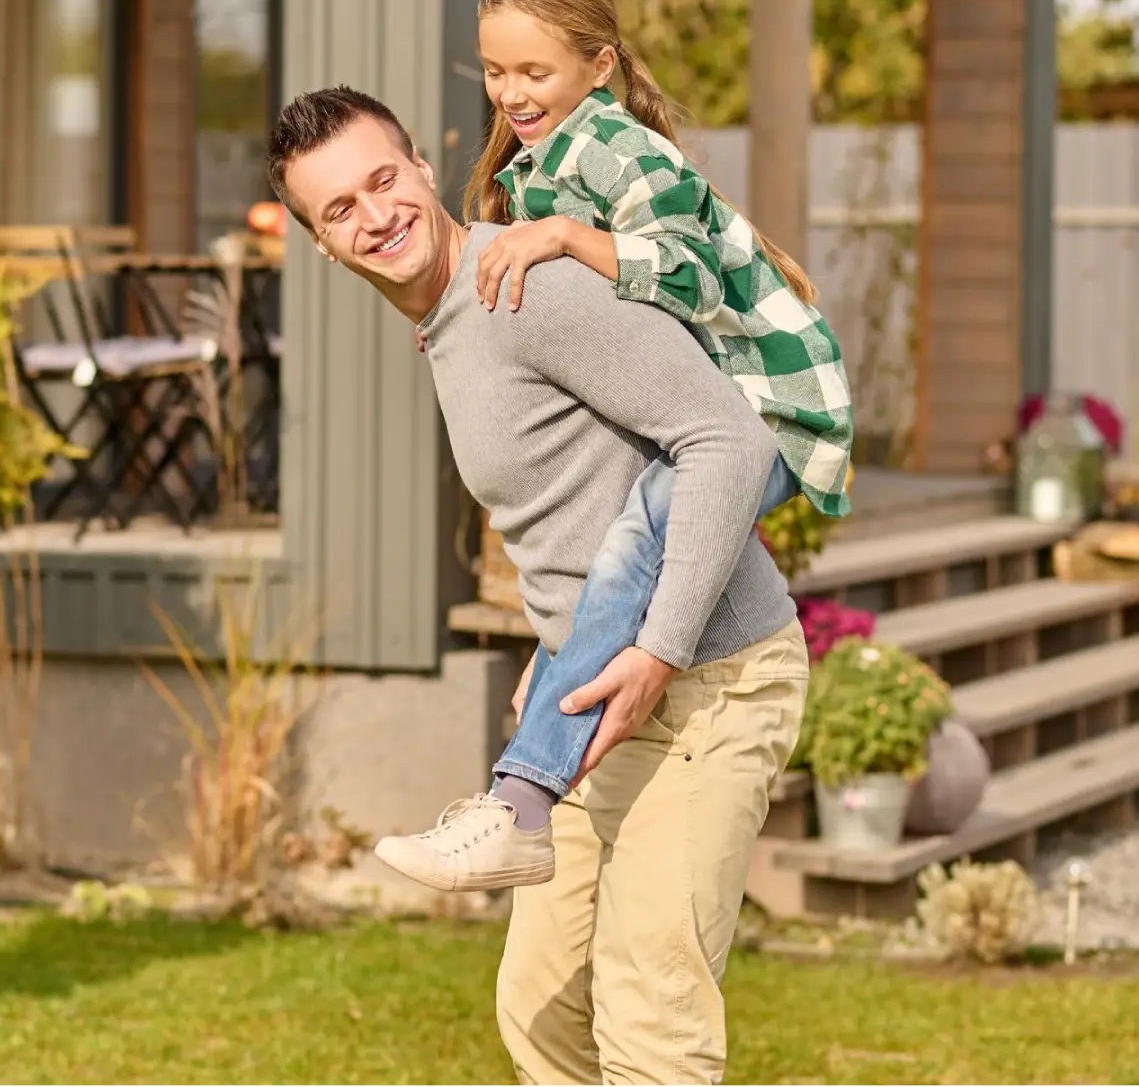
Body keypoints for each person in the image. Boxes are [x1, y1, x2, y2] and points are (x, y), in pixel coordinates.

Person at [268, 84, 810, 1084]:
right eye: (340, 208)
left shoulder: (527, 289)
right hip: (593, 695)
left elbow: (728, 440)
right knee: (540, 1008)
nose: (375, 215)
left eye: (383, 180)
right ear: (320, 244)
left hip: (709, 682)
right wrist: (554, 638)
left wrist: (658, 650)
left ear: (422, 167)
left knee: (649, 1012)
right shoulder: (453, 321)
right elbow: (585, 497)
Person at [402, 0, 852, 888]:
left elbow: (690, 277)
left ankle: (519, 803)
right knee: (626, 539)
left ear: (598, 66)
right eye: (495, 71)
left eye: (535, 72)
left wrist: (569, 236)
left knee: (636, 538)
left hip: (772, 403)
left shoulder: (621, 152)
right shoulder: (539, 163)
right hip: (719, 406)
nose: (510, 93)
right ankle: (523, 796)